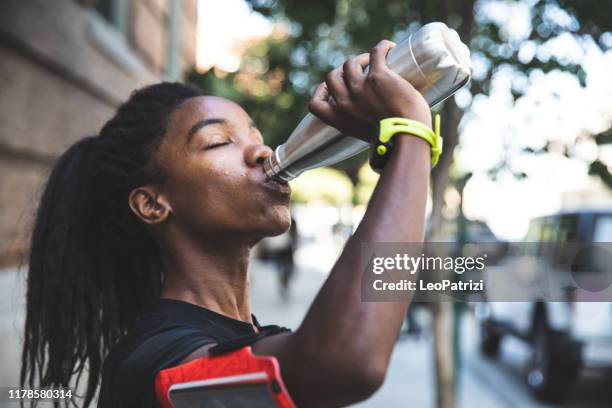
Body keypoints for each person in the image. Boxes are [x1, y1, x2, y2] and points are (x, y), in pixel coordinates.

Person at [21, 40, 432, 408]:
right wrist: (410, 135)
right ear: (152, 204)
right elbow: (344, 361)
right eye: (219, 142)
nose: (261, 151)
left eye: (255, 136)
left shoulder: (268, 337)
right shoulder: (151, 360)